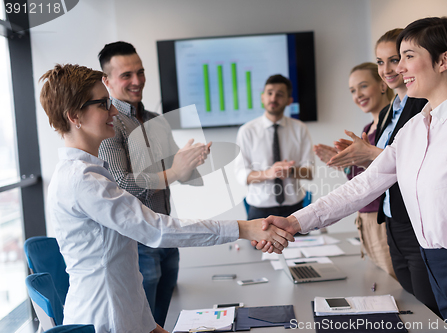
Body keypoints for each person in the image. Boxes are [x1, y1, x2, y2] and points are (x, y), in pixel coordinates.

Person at [260, 17, 447, 333]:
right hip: (434, 267)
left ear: (444, 60)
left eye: (409, 56)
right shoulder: (414, 129)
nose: (399, 68)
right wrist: (294, 222)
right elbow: (364, 186)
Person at [40, 64, 293, 333]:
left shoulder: (89, 173)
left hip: (120, 311)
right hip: (105, 318)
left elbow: (120, 266)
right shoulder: (83, 181)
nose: (114, 110)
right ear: (74, 116)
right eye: (104, 104)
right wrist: (244, 228)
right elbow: (155, 229)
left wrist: (149, 325)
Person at [316, 29, 440, 317]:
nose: (388, 69)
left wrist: (367, 154)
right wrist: (354, 158)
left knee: (425, 309)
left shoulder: (423, 106)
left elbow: (418, 164)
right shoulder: (389, 113)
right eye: (380, 62)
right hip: (392, 220)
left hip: (412, 221)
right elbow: (379, 172)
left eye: (396, 59)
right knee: (406, 302)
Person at [97, 41, 203, 326]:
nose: (137, 81)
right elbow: (121, 182)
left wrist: (192, 161)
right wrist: (175, 172)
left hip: (167, 233)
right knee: (142, 324)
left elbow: (178, 172)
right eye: (126, 75)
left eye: (140, 72)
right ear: (106, 81)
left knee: (163, 320)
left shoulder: (157, 120)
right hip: (138, 240)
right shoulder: (109, 124)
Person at [314, 62, 395, 279]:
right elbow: (362, 178)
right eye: (352, 90)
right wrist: (346, 163)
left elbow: (390, 173)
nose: (358, 94)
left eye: (363, 86)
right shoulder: (367, 129)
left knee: (393, 283)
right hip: (364, 218)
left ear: (382, 85)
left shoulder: (394, 127)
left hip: (382, 220)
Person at [234, 74, 314, 220]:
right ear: (262, 97)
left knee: (303, 244)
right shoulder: (247, 131)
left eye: (279, 94)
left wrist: (290, 171)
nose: (273, 98)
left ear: (289, 101)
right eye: (269, 93)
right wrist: (270, 173)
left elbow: (310, 172)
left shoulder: (300, 129)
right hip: (259, 212)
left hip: (295, 210)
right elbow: (241, 175)